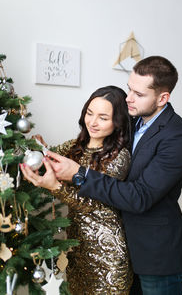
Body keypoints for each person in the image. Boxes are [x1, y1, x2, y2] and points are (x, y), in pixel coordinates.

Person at [23, 56, 182, 295]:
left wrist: (78, 174)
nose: (129, 98)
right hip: (122, 247)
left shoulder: (179, 138)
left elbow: (140, 196)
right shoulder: (131, 120)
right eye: (129, 89)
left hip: (156, 251)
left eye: (139, 93)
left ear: (162, 98)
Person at [21, 86, 134, 295]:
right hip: (77, 250)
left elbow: (90, 205)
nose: (92, 122)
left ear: (117, 121)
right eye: (90, 113)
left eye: (103, 117)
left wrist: (54, 186)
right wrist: (41, 150)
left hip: (107, 255)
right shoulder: (77, 145)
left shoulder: (120, 156)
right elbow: (50, 156)